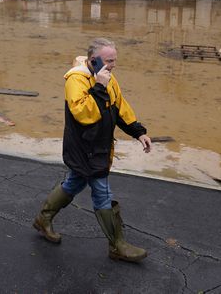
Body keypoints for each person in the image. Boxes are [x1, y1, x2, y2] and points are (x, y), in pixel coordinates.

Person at [33, 37, 152, 263]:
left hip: (99, 147)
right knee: (102, 193)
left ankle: (43, 218)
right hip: (84, 149)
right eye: (109, 60)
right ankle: (117, 245)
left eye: (115, 60)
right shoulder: (75, 80)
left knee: (74, 183)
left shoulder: (109, 78)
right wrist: (99, 86)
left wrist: (139, 132)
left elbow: (120, 107)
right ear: (93, 60)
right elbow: (85, 114)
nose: (113, 65)